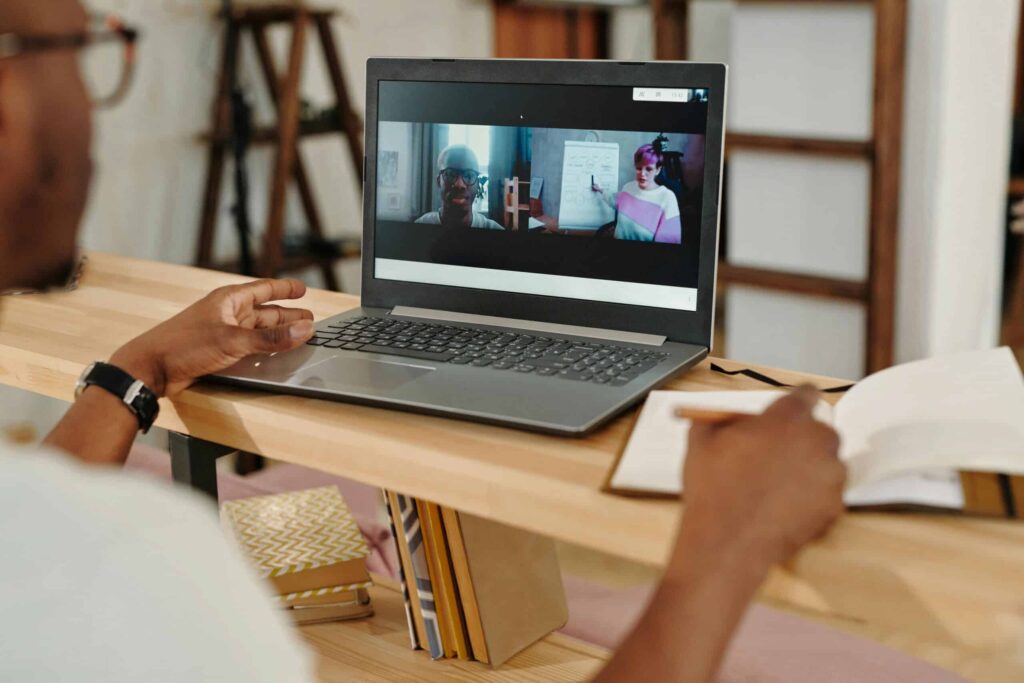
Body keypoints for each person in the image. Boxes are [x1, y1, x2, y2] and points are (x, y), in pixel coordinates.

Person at [0, 3, 846, 681]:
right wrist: (721, 554)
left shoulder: (45, 541)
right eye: (80, 48)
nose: (88, 91)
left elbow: (35, 524)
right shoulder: (139, 573)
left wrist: (144, 364)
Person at [592, 143, 682, 243]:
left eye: (648, 169)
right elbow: (614, 200)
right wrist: (600, 190)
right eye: (639, 168)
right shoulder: (628, 187)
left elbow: (669, 242)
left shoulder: (667, 198)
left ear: (658, 170)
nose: (642, 174)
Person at [415, 144, 504, 230]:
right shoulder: (418, 228)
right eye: (450, 174)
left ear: (477, 184)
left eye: (469, 176)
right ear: (439, 181)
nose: (459, 184)